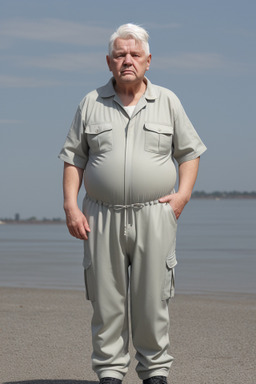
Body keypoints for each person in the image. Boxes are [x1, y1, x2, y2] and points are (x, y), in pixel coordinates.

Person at [59, 23, 206, 384]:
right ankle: (110, 374)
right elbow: (74, 159)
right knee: (106, 301)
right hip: (101, 216)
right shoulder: (90, 103)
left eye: (135, 54)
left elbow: (189, 153)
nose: (128, 60)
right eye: (120, 55)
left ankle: (155, 374)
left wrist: (183, 195)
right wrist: (70, 206)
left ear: (148, 60)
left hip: (155, 214)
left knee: (152, 300)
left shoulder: (168, 101)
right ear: (109, 62)